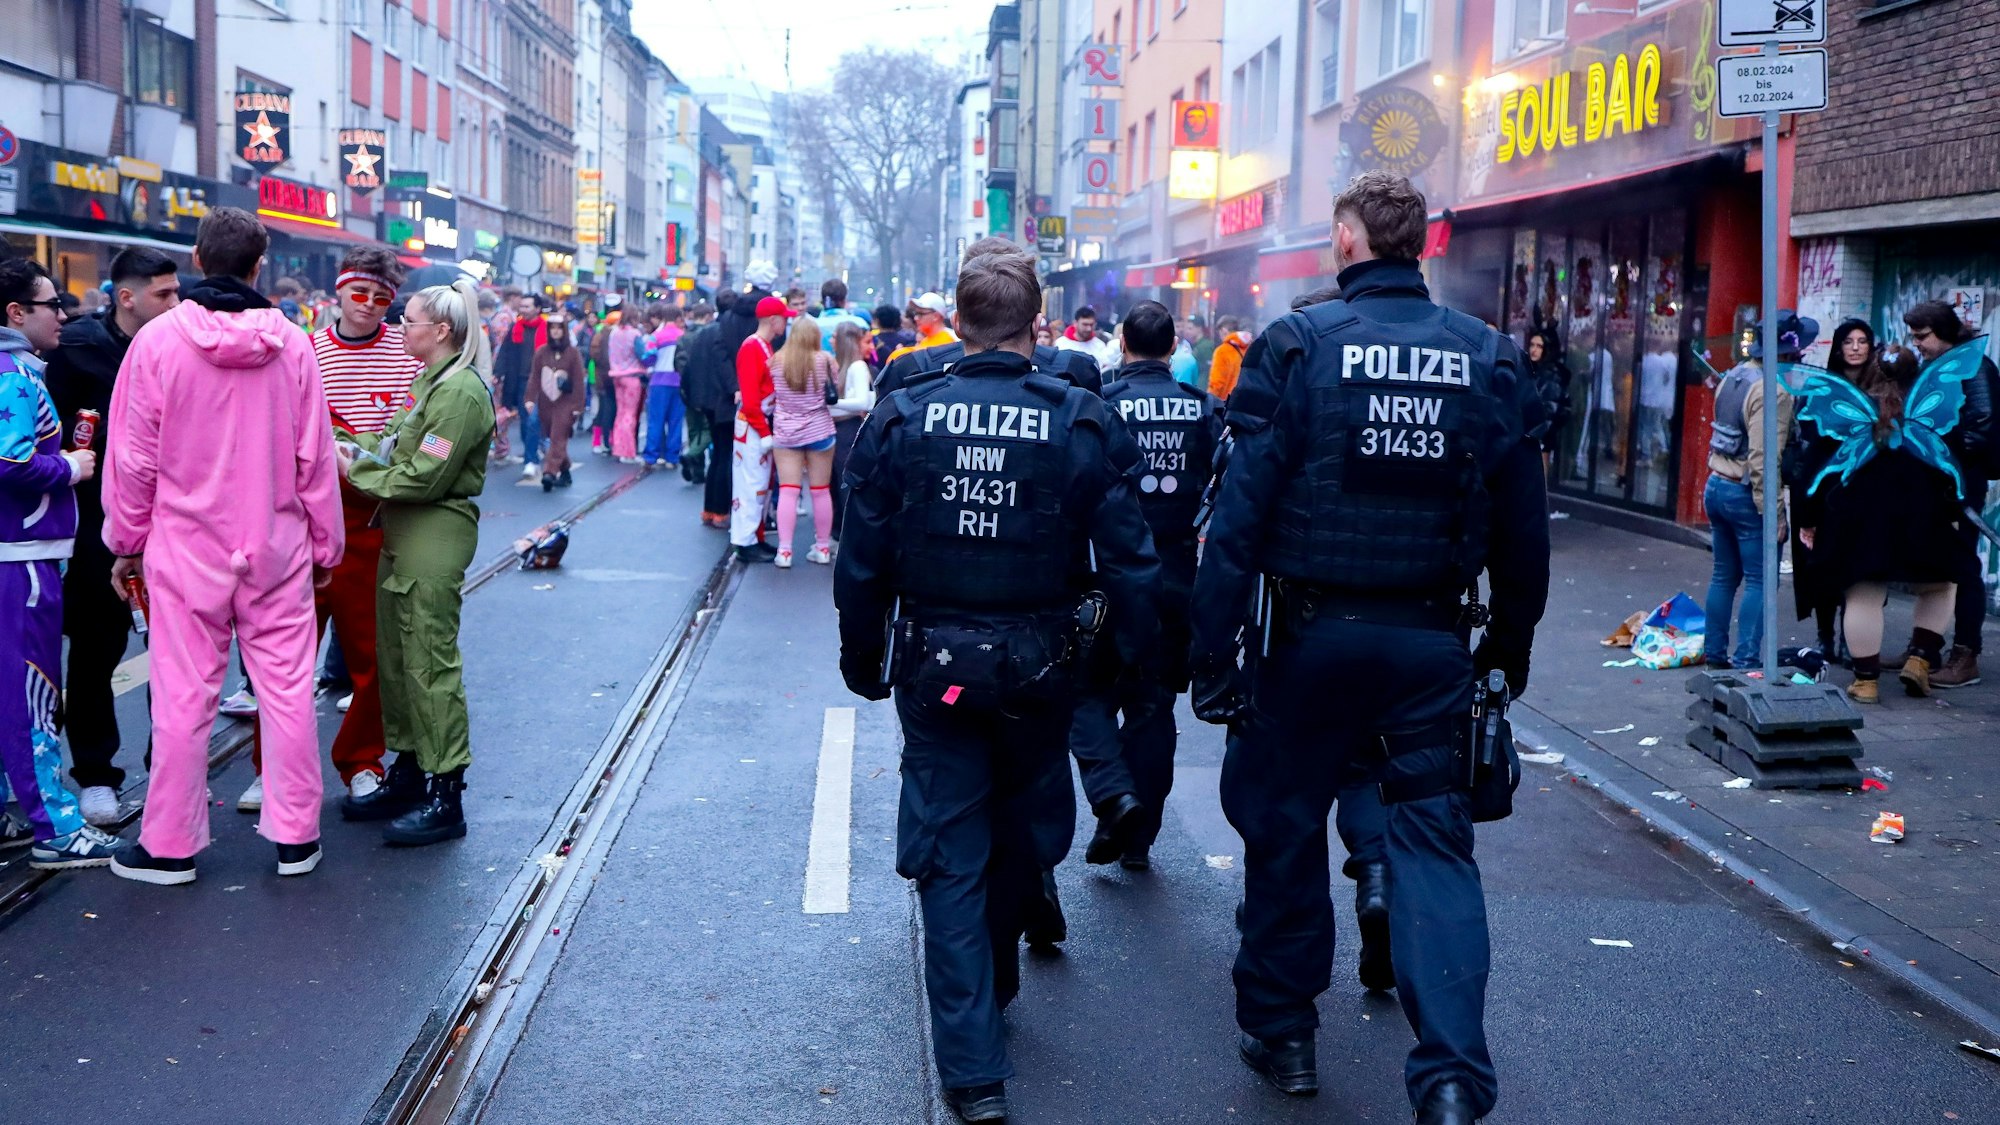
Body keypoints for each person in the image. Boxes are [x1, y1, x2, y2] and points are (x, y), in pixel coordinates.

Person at [1188, 172, 1549, 1124]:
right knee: (1436, 848)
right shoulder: (1487, 356)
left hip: (1307, 640)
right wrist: (1508, 646)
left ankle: (1286, 1031)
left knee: (1285, 828)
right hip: (1432, 639)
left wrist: (1213, 652)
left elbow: (1238, 520)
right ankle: (1451, 1083)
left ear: (1347, 239)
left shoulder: (1299, 347)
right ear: (1422, 245)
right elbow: (1523, 528)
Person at [834, 249, 1159, 1123]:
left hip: (935, 667)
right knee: (1023, 828)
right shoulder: (1079, 417)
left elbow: (860, 559)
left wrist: (861, 658)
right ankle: (991, 1009)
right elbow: (1131, 559)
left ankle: (973, 1071)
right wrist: (1135, 666)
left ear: (958, 322)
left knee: (949, 854)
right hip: (1042, 669)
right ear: (1036, 326)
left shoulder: (905, 414)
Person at [105, 206, 345, 885]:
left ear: (197, 261)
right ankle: (297, 837)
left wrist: (125, 540)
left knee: (183, 695)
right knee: (289, 690)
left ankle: (170, 846)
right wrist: (326, 546)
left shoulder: (156, 343)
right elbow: (315, 457)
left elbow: (132, 457)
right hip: (274, 544)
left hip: (185, 547)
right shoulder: (293, 344)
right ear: (258, 265)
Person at [238, 247, 420, 819]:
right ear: (336, 294)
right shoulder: (304, 349)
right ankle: (270, 770)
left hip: (370, 525)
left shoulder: (405, 356)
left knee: (371, 659)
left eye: (381, 298)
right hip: (304, 522)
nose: (368, 307)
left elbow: (414, 430)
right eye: (358, 293)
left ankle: (362, 762)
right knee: (285, 658)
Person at [337, 279, 496, 846]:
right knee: (397, 657)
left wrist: (353, 471)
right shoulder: (429, 382)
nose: (401, 327)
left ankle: (445, 792)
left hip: (432, 529)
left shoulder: (459, 394)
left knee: (428, 662)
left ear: (441, 331)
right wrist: (349, 443)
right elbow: (393, 444)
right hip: (402, 530)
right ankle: (407, 771)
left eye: (409, 320)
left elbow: (425, 478)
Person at [1072, 300, 1221, 870]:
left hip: (1104, 580)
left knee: (1087, 695)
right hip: (1177, 577)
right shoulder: (1203, 410)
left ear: (1123, 343)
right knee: (1154, 708)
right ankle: (1140, 836)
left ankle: (1116, 797)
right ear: (1173, 346)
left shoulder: (1100, 407)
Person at [45, 248, 180, 828]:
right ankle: (96, 775)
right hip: (96, 527)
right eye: (164, 294)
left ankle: (168, 771)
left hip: (171, 522)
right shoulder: (77, 351)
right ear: (126, 297)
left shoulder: (183, 342)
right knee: (96, 652)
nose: (176, 304)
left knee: (173, 657)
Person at [0, 258, 125, 869]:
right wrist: (71, 469)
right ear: (16, 314)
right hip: (21, 561)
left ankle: (14, 809)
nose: (63, 315)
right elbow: (11, 462)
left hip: (19, 555)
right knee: (32, 697)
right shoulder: (14, 374)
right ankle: (53, 825)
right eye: (53, 304)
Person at [1793, 338, 1962, 703]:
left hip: (1858, 518)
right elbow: (1951, 464)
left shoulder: (1846, 415)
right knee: (1942, 585)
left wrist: (1808, 518)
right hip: (1923, 515)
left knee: (1864, 593)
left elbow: (1817, 469)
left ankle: (1866, 681)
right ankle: (1919, 660)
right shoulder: (1928, 416)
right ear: (1916, 377)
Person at [1904, 300, 2000, 688]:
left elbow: (1982, 424)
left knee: (1962, 566)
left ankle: (1966, 654)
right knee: (1938, 564)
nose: (1918, 344)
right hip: (1936, 479)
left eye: (1922, 336)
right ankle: (1924, 648)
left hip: (1959, 481)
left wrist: (1950, 463)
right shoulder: (1939, 366)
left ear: (1943, 330)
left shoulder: (1973, 366)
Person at [1704, 313, 1807, 670]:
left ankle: (1714, 654)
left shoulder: (1735, 375)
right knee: (1761, 582)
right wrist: (1775, 513)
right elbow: (1765, 458)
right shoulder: (1773, 390)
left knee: (1723, 576)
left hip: (1717, 484)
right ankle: (1746, 659)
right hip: (1746, 495)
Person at [767, 315, 838, 567]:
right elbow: (834, 389)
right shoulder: (826, 361)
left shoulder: (775, 361)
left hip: (786, 432)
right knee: (820, 491)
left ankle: (784, 552)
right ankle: (822, 548)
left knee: (788, 490)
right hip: (820, 430)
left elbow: (771, 394)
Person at [732, 295, 794, 563]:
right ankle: (745, 541)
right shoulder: (753, 348)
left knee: (760, 484)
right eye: (783, 318)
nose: (786, 323)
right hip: (754, 426)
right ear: (773, 319)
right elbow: (750, 398)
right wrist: (764, 431)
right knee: (751, 484)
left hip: (759, 424)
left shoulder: (762, 346)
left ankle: (753, 537)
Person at [683, 295, 737, 528]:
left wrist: (692, 396)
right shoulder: (726, 333)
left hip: (705, 401)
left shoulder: (704, 332)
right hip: (723, 401)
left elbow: (690, 367)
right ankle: (720, 510)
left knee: (718, 455)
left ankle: (710, 509)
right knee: (725, 454)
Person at [828, 321, 876, 539]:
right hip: (839, 427)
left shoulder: (857, 366)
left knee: (844, 482)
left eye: (834, 337)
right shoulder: (839, 365)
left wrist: (831, 403)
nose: (830, 341)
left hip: (848, 428)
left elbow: (861, 403)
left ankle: (847, 533)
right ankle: (839, 530)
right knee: (836, 482)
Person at [534, 305, 587, 491]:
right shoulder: (541, 352)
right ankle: (565, 471)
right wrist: (529, 398)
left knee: (558, 435)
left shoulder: (573, 353)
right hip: (546, 402)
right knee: (554, 435)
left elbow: (579, 381)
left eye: (559, 328)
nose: (555, 332)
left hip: (566, 401)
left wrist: (579, 406)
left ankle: (549, 472)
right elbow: (534, 377)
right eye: (552, 328)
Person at [497, 295, 549, 479]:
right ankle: (532, 455)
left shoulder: (548, 328)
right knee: (526, 422)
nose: (523, 309)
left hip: (542, 381)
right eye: (522, 306)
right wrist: (497, 373)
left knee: (533, 420)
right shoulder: (515, 328)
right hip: (520, 381)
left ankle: (531, 458)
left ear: (537, 308)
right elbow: (505, 352)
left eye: (527, 306)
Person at [673, 300, 718, 490]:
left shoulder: (684, 337)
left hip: (688, 390)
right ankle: (693, 455)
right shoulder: (711, 335)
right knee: (709, 429)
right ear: (708, 317)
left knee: (693, 429)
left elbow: (678, 364)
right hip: (708, 390)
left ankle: (697, 470)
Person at [640, 303, 686, 469]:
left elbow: (647, 358)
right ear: (678, 317)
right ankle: (672, 458)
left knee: (655, 420)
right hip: (679, 382)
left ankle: (651, 456)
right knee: (676, 421)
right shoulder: (683, 335)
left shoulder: (656, 337)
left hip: (659, 382)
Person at [1524, 327, 1573, 465]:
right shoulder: (1531, 369)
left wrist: (1537, 434)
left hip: (1540, 433)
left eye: (1539, 346)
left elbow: (1549, 409)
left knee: (1539, 474)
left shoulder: (1551, 373)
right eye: (1532, 345)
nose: (1534, 349)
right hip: (1531, 432)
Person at [606, 304, 648, 463]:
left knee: (621, 413)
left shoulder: (614, 332)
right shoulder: (635, 334)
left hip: (616, 375)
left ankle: (618, 448)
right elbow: (642, 355)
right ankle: (628, 452)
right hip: (632, 376)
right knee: (630, 415)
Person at [885, 292, 956, 364]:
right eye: (916, 313)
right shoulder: (926, 340)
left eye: (920, 314)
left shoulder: (951, 339)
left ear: (936, 316)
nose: (916, 318)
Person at [1055, 304, 1119, 370]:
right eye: (1085, 324)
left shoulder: (1099, 345)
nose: (1089, 329)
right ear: (1075, 323)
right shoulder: (1060, 344)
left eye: (1091, 325)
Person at [1207, 319, 1252, 402]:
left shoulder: (1222, 351)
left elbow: (1217, 384)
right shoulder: (1250, 349)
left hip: (1226, 405)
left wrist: (1209, 402)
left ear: (1224, 330)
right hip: (1246, 403)